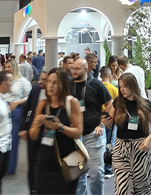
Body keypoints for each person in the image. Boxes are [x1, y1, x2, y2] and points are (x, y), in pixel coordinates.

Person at [29, 68, 83, 194]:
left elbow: (78, 132)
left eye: (55, 82)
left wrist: (60, 127)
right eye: (48, 82)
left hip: (67, 162)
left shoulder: (71, 102)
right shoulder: (42, 104)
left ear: (62, 84)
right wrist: (37, 124)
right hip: (45, 162)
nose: (50, 86)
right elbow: (33, 135)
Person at [106, 72, 151, 195]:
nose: (122, 90)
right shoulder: (118, 103)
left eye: (125, 86)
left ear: (133, 86)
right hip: (121, 149)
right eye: (120, 87)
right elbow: (108, 121)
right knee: (122, 190)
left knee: (142, 189)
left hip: (140, 149)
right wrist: (101, 123)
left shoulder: (145, 104)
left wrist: (149, 139)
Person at [72, 58, 113, 195]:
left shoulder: (95, 84)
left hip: (93, 135)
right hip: (75, 137)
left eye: (77, 69)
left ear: (85, 70)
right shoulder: (69, 85)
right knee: (78, 176)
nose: (74, 71)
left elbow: (110, 103)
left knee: (96, 174)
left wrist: (102, 122)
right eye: (73, 68)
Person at [20, 71, 48, 194]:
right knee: (32, 165)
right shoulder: (36, 89)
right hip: (33, 131)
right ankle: (33, 191)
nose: (41, 82)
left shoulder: (57, 95)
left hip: (49, 134)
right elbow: (25, 108)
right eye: (41, 79)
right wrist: (23, 128)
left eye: (44, 80)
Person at [5, 58, 32, 175]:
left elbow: (29, 96)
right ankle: (3, 165)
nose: (7, 69)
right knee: (4, 140)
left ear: (14, 67)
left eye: (9, 67)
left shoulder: (23, 81)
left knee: (13, 141)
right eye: (6, 67)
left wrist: (17, 102)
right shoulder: (4, 80)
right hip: (4, 111)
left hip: (16, 111)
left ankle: (10, 168)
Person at [100, 67, 119, 179]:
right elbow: (117, 104)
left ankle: (99, 166)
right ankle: (108, 168)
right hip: (111, 118)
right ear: (110, 75)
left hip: (99, 118)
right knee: (110, 143)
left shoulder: (97, 87)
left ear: (100, 75)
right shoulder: (114, 89)